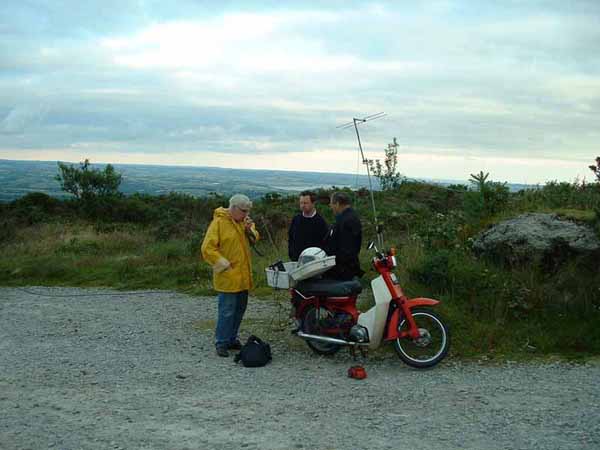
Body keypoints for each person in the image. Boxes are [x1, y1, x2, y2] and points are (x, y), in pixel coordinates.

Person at [201, 194, 260, 357]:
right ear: (233, 208)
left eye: (248, 211)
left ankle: (232, 338)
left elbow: (255, 238)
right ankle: (221, 342)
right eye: (243, 211)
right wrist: (222, 263)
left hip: (243, 276)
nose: (246, 214)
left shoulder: (244, 222)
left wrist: (249, 230)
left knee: (240, 309)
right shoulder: (218, 223)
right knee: (227, 311)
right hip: (227, 276)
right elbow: (207, 249)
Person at [323, 191, 364, 281]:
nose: (330, 206)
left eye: (331, 203)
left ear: (337, 204)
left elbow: (347, 249)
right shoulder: (346, 218)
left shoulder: (347, 220)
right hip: (343, 268)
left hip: (343, 270)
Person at [288, 190, 329, 261]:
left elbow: (325, 243)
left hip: (314, 262)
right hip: (297, 261)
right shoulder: (296, 219)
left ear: (313, 203)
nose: (303, 205)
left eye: (306, 203)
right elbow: (291, 238)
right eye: (301, 203)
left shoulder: (320, 222)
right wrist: (291, 254)